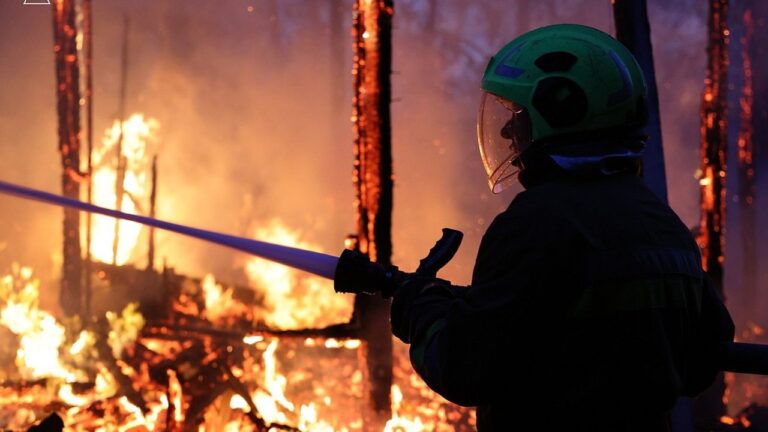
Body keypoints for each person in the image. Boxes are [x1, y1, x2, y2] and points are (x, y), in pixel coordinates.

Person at [389, 24, 734, 431]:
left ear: (558, 112)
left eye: (517, 115)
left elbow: (466, 369)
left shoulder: (534, 224)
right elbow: (703, 357)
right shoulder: (662, 223)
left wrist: (424, 310)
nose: (506, 130)